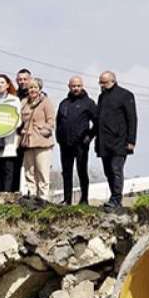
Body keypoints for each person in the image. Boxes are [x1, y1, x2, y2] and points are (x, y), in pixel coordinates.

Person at [95, 71, 137, 209]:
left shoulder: (125, 95)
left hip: (120, 141)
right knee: (108, 171)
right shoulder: (101, 97)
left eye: (104, 82)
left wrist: (131, 140)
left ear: (113, 81)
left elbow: (132, 118)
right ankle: (114, 197)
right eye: (100, 82)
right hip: (104, 142)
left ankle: (116, 199)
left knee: (116, 169)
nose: (102, 85)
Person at [56, 76, 98, 205]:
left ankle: (84, 199)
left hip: (81, 144)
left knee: (82, 171)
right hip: (65, 144)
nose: (76, 88)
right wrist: (59, 137)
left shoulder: (89, 103)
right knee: (66, 172)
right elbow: (58, 122)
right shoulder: (64, 103)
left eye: (78, 86)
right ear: (69, 86)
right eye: (74, 86)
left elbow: (97, 123)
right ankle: (67, 199)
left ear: (82, 86)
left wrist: (89, 136)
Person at [19, 78, 55, 200]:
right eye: (30, 88)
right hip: (27, 141)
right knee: (29, 171)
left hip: (42, 142)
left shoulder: (46, 102)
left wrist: (44, 131)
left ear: (40, 89)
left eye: (35, 87)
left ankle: (43, 197)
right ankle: (32, 195)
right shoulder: (24, 103)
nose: (32, 90)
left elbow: (51, 120)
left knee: (42, 171)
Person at [0, 74, 23, 194]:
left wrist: (8, 128)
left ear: (7, 85)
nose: (0, 85)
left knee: (8, 168)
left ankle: (7, 193)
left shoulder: (14, 100)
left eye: (2, 82)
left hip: (9, 139)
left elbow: (18, 119)